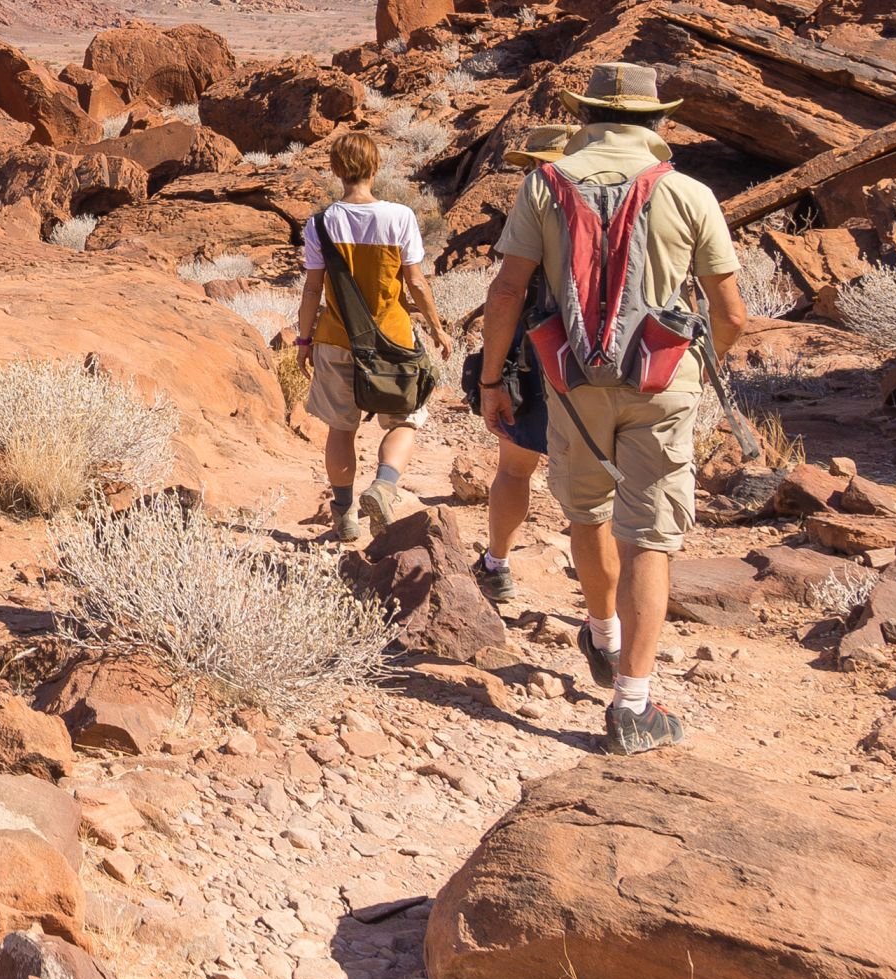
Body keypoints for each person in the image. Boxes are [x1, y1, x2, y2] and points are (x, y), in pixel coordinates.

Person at [475, 64, 760, 757]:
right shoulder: (689, 192)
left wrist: (492, 380)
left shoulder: (542, 185)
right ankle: (632, 702)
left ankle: (603, 636)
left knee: (588, 512)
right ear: (657, 121)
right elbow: (731, 314)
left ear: (587, 115)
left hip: (571, 382)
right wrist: (697, 369)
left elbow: (508, 290)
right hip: (660, 385)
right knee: (649, 534)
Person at [292, 129, 447, 547]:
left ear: (336, 169)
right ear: (376, 167)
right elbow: (415, 283)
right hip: (392, 341)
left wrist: (304, 341)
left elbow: (311, 289)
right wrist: (436, 327)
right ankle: (383, 487)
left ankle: (344, 517)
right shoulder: (400, 217)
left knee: (341, 429)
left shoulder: (321, 223)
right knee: (405, 418)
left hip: (336, 340)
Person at [468, 122, 579, 603]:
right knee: (594, 483)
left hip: (534, 351)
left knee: (515, 467)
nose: (531, 173)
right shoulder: (613, 201)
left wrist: (491, 378)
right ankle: (605, 602)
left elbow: (510, 288)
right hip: (601, 353)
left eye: (535, 164)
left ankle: (498, 564)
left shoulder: (537, 201)